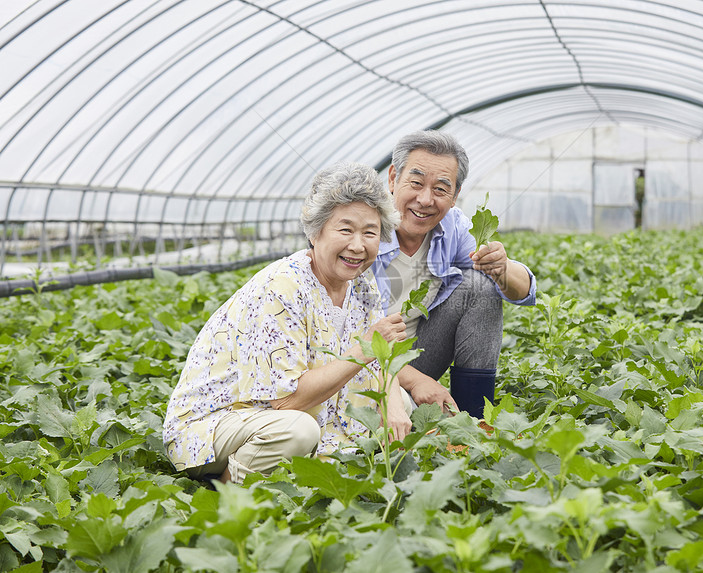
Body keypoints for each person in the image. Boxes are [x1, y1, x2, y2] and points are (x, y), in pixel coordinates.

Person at [163, 162, 411, 484]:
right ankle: (226, 488)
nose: (358, 245)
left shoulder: (362, 285)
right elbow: (286, 400)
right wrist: (364, 348)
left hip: (279, 415)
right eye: (346, 230)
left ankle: (310, 472)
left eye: (370, 233)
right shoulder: (282, 286)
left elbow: (380, 366)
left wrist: (392, 406)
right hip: (216, 423)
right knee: (298, 430)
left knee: (399, 401)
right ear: (315, 231)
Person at [371, 130, 537, 418]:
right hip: (362, 361)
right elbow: (341, 335)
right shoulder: (363, 232)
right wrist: (414, 381)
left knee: (480, 284)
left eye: (440, 189)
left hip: (419, 355)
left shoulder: (453, 227)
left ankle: (472, 420)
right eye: (416, 182)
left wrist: (503, 267)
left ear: (455, 195)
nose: (425, 199)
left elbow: (525, 292)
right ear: (392, 178)